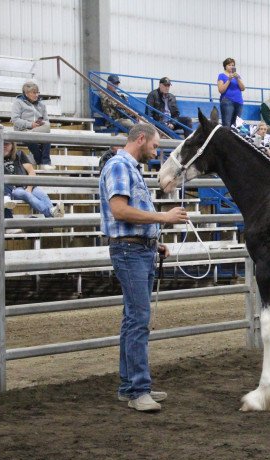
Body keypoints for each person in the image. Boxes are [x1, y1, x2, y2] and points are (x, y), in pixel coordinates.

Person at [99, 123, 190, 412]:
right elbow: (119, 210)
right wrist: (162, 218)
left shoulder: (128, 167)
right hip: (129, 250)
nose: (156, 150)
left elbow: (127, 213)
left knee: (133, 319)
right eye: (154, 145)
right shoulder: (119, 166)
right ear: (141, 139)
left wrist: (153, 240)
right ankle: (139, 389)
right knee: (138, 319)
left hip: (138, 248)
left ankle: (130, 386)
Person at [3, 141, 64, 218]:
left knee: (43, 195)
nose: (4, 146)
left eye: (7, 144)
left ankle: (52, 217)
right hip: (14, 189)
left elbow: (31, 172)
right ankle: (51, 212)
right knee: (27, 195)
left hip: (29, 185)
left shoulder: (19, 154)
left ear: (12, 145)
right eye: (2, 143)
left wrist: (29, 188)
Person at [11, 81, 54, 170]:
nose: (36, 95)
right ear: (26, 93)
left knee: (48, 136)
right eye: (34, 93)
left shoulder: (41, 105)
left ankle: (44, 162)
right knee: (31, 138)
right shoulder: (18, 103)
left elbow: (46, 120)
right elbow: (15, 120)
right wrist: (30, 124)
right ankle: (43, 163)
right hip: (23, 130)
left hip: (38, 130)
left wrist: (41, 124)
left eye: (37, 92)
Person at [217, 58, 245, 127]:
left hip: (239, 101)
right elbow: (221, 90)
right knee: (227, 123)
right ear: (225, 66)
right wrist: (229, 80)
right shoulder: (221, 76)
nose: (231, 67)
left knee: (237, 125)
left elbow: (243, 88)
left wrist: (237, 78)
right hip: (227, 101)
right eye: (229, 65)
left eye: (233, 65)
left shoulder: (237, 76)